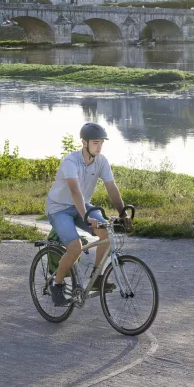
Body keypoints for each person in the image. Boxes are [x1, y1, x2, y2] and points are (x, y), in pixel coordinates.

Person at [45, 122, 132, 307]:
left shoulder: (101, 161)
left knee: (107, 234)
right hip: (59, 208)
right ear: (84, 143)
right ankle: (56, 283)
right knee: (75, 247)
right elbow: (75, 191)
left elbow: (112, 188)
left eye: (101, 143)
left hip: (81, 206)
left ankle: (97, 276)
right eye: (95, 143)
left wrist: (122, 213)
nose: (99, 147)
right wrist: (86, 217)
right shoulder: (70, 161)